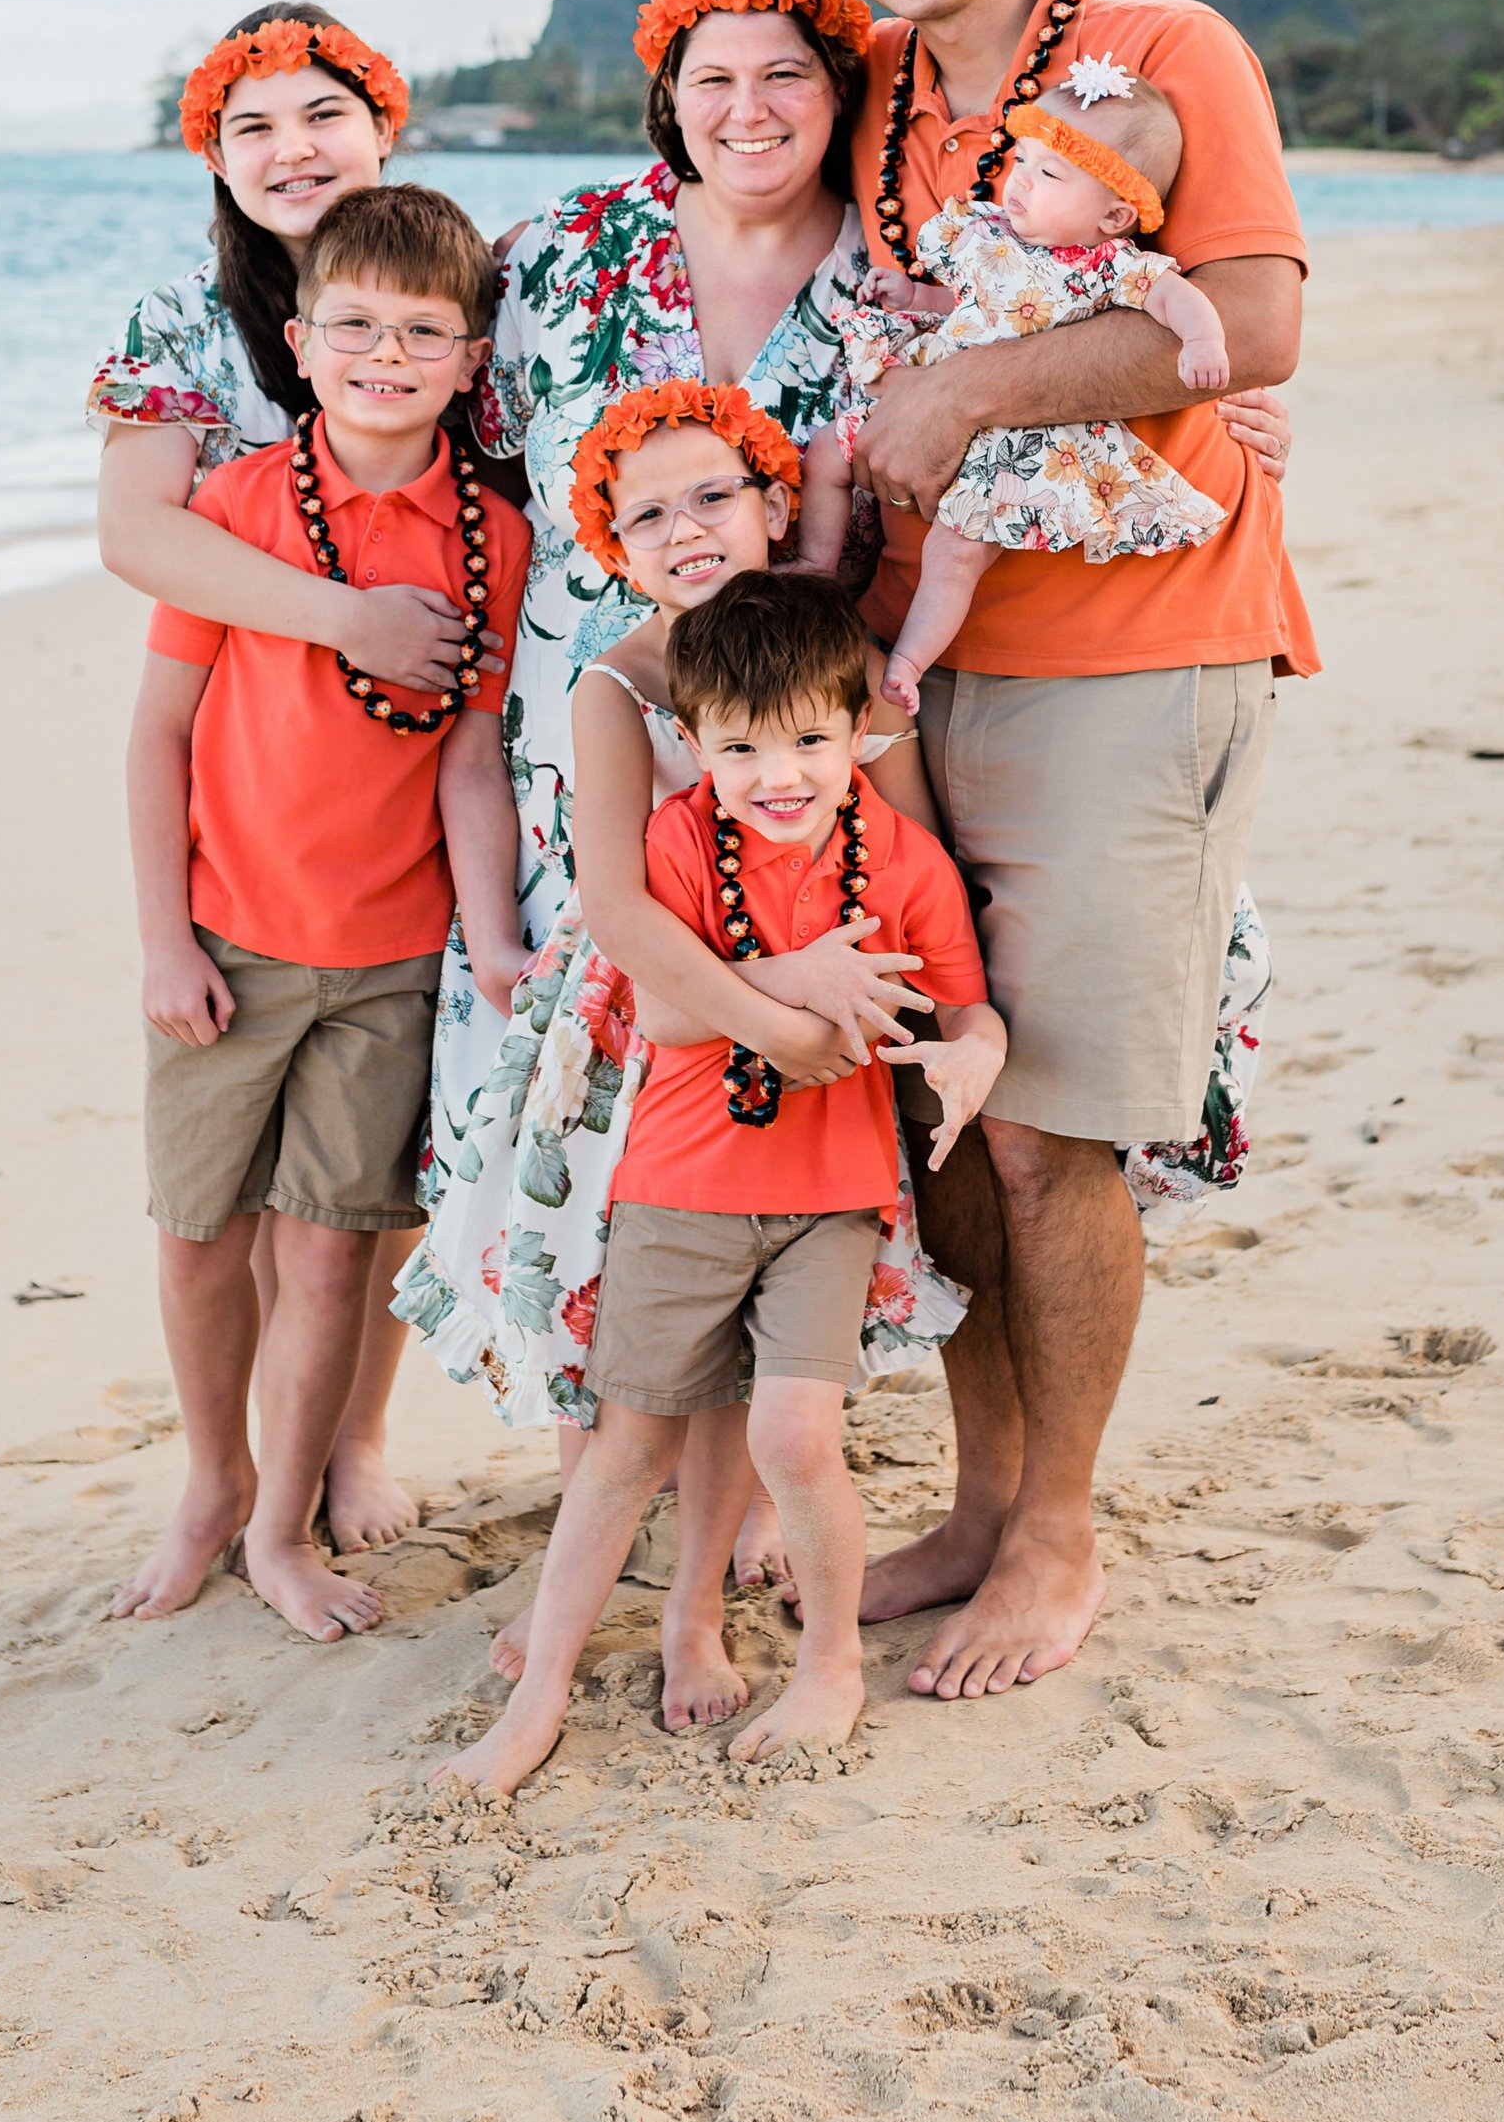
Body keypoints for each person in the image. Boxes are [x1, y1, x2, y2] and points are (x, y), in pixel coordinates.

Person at [798, 0, 1316, 1701]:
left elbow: (1250, 326)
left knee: (1046, 1130)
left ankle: (1060, 1532)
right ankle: (978, 1491)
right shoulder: (877, 103)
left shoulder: (1172, 53)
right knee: (936, 1113)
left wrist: (970, 398)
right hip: (931, 669)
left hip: (1135, 658)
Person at [396, 381, 953, 1701]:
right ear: (614, 545)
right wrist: (769, 1014)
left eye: (713, 495)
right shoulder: (619, 681)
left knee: (737, 1359)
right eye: (647, 513)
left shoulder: (839, 662)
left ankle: (692, 1613)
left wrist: (846, 1007)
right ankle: (582, 1596)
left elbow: (903, 842)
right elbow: (614, 906)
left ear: (772, 504)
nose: (687, 528)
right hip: (648, 1036)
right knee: (631, 1343)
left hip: (811, 1035)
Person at [441, 576, 1002, 1795]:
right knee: (626, 1442)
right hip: (679, 1183)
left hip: (830, 1195)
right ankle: (542, 1687)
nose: (779, 773)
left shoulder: (900, 859)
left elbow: (969, 1006)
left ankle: (833, 1664)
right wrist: (795, 976)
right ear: (691, 743)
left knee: (796, 1434)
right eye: (741, 747)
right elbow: (663, 1008)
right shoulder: (680, 838)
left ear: (861, 729)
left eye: (810, 738)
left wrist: (970, 1059)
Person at [112, 183, 530, 1642]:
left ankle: (283, 1525)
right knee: (195, 1235)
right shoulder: (231, 511)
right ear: (298, 342)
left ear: (472, 359)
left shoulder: (494, 536)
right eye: (352, 326)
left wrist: (487, 937)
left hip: (390, 961)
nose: (386, 354)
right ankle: (213, 1484)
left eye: (424, 332)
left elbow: (474, 758)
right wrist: (164, 936)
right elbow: (159, 730)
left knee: (334, 1245)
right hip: (226, 940)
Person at [803, 57, 1232, 708]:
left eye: (1050, 174)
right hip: (936, 389)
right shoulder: (988, 236)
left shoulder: (1105, 266)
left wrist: (1204, 340)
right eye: (1022, 160)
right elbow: (967, 305)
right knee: (829, 448)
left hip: (1020, 444)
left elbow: (1175, 299)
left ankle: (910, 663)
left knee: (955, 553)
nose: (1020, 183)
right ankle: (816, 565)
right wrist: (911, 290)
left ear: (1115, 216)